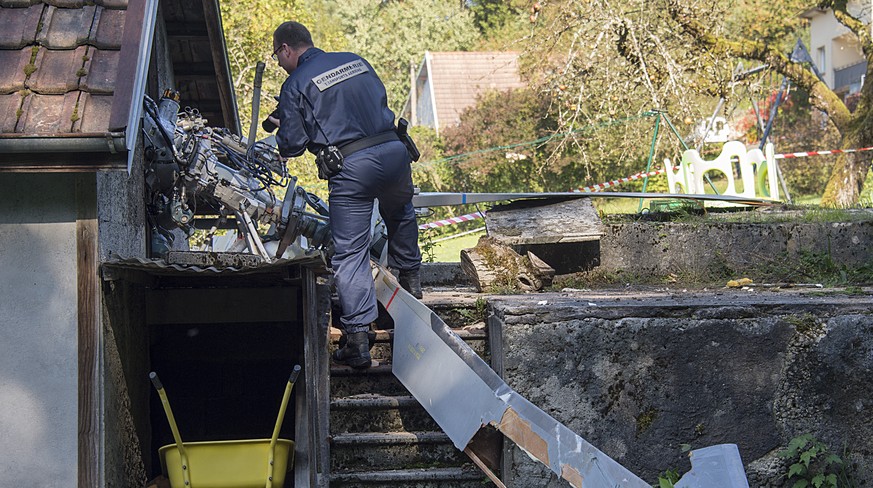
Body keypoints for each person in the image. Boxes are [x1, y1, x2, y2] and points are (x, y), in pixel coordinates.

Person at [269, 21, 422, 369]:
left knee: (350, 252)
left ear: (286, 50)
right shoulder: (356, 60)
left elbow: (291, 145)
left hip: (354, 168)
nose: (280, 63)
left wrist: (287, 127)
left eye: (278, 57)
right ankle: (413, 289)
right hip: (395, 152)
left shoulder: (294, 83)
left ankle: (357, 340)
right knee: (400, 216)